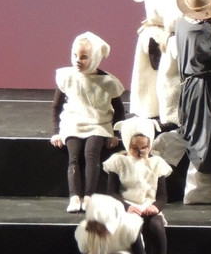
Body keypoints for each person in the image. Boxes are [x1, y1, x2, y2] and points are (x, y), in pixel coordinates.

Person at [151, 0, 211, 203]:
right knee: (204, 136)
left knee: (193, 131)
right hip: (203, 89)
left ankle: (165, 154)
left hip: (189, 87)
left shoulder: (183, 24)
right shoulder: (206, 31)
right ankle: (199, 191)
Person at [51, 31, 126, 213]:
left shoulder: (107, 82)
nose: (78, 60)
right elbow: (56, 107)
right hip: (73, 122)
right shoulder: (67, 76)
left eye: (84, 57)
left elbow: (119, 110)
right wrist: (56, 131)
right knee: (74, 156)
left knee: (91, 154)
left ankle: (89, 196)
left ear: (95, 58)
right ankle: (74, 196)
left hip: (98, 124)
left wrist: (115, 133)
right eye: (75, 55)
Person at [103, 116, 172, 254]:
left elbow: (162, 195)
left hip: (147, 206)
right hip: (126, 207)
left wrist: (156, 207)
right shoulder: (118, 162)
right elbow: (112, 193)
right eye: (134, 147)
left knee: (156, 226)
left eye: (144, 147)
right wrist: (127, 207)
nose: (140, 152)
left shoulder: (157, 163)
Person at [74, 194, 143, 254]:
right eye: (97, 231)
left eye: (102, 228)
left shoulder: (129, 227)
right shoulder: (84, 231)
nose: (100, 234)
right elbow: (83, 250)